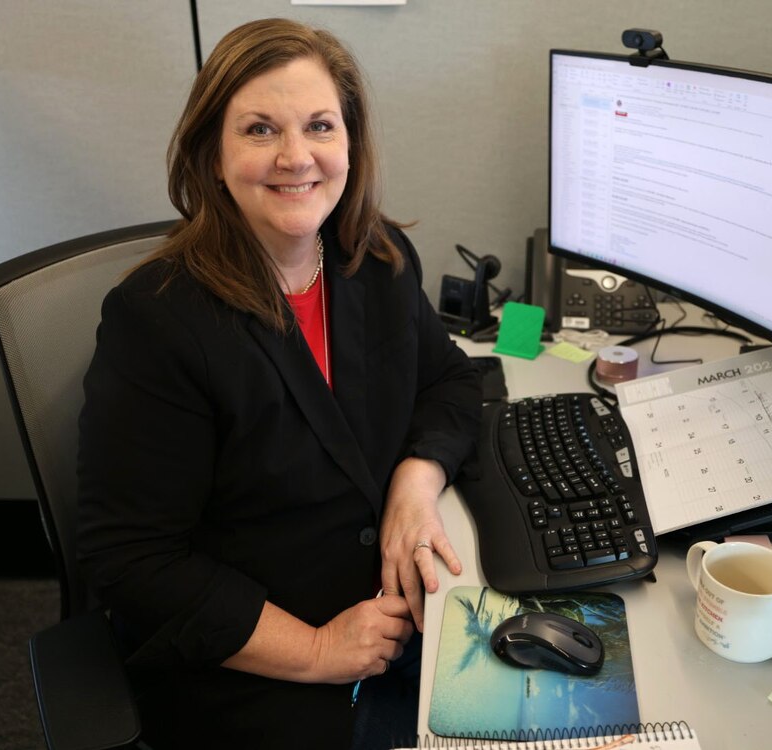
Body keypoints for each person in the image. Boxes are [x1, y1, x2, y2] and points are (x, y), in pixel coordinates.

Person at [76, 17, 482, 749]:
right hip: (258, 663)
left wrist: (414, 486)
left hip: (395, 619)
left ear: (351, 143)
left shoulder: (377, 259)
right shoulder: (158, 321)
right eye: (260, 130)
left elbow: (451, 382)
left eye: (320, 126)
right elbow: (130, 561)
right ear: (212, 154)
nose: (297, 158)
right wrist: (320, 652)